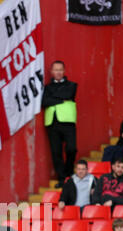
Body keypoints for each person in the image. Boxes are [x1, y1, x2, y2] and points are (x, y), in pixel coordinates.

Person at [41, 60, 78, 188]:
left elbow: (68, 94)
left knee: (71, 148)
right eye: (55, 70)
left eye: (60, 70)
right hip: (52, 122)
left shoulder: (72, 85)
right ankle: (62, 178)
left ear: (64, 71)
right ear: (51, 72)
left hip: (68, 121)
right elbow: (44, 101)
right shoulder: (47, 87)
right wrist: (61, 99)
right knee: (56, 152)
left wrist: (53, 98)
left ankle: (69, 172)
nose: (58, 72)